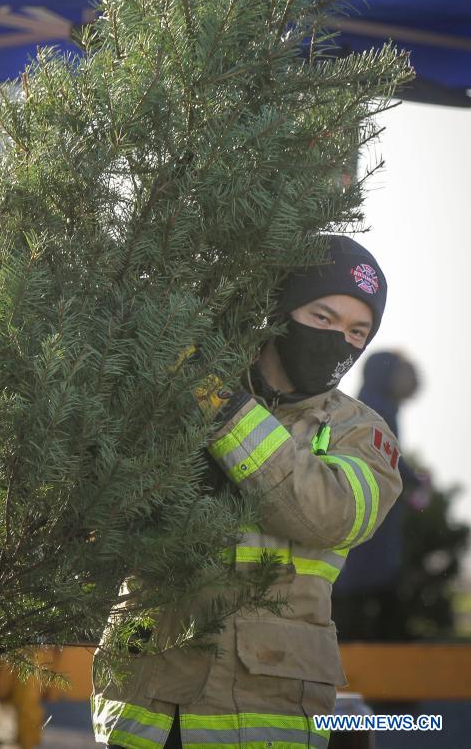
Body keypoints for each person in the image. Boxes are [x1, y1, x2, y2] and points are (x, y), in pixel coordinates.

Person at [92, 235, 403, 749]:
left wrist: (222, 406)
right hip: (143, 699)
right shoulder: (182, 382)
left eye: (356, 331)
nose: (337, 341)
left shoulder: (364, 433)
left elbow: (326, 513)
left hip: (266, 708)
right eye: (323, 318)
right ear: (280, 311)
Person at [332, 351, 421, 641]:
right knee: (371, 585)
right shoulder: (376, 407)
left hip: (372, 512)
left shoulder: (372, 403)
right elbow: (389, 456)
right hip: (368, 512)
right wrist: (415, 481)